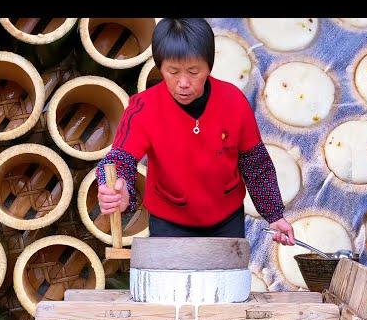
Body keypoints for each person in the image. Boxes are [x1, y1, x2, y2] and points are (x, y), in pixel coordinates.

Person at [95, 18, 296, 245]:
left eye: (193, 71)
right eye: (173, 71)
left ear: (209, 66)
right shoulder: (143, 108)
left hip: (226, 221)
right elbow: (119, 159)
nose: (183, 82)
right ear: (160, 67)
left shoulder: (234, 102)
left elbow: (255, 163)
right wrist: (115, 187)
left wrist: (275, 215)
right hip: (169, 223)